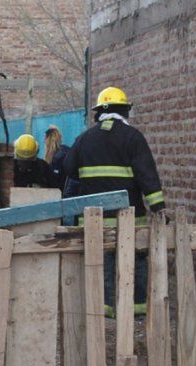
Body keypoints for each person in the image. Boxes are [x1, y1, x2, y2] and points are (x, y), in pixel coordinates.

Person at [63, 86, 166, 316]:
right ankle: (138, 309)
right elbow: (148, 177)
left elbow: (68, 168)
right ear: (125, 112)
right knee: (136, 263)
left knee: (102, 266)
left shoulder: (84, 138)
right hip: (129, 219)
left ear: (99, 113)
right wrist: (159, 209)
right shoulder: (133, 138)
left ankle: (103, 309)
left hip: (95, 220)